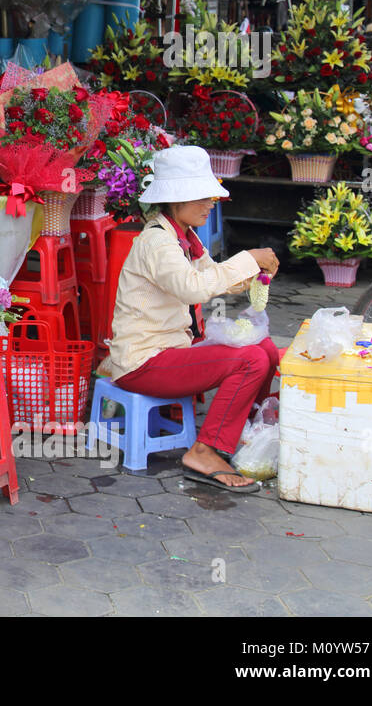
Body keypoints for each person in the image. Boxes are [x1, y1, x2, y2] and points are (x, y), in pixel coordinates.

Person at [105, 145, 281, 492]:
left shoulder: (182, 237)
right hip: (143, 362)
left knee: (266, 349)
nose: (210, 203)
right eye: (201, 196)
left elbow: (212, 276)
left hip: (171, 350)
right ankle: (205, 450)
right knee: (248, 360)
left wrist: (249, 274)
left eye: (210, 196)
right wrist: (247, 257)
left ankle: (249, 433)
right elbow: (193, 289)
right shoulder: (157, 243)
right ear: (175, 200)